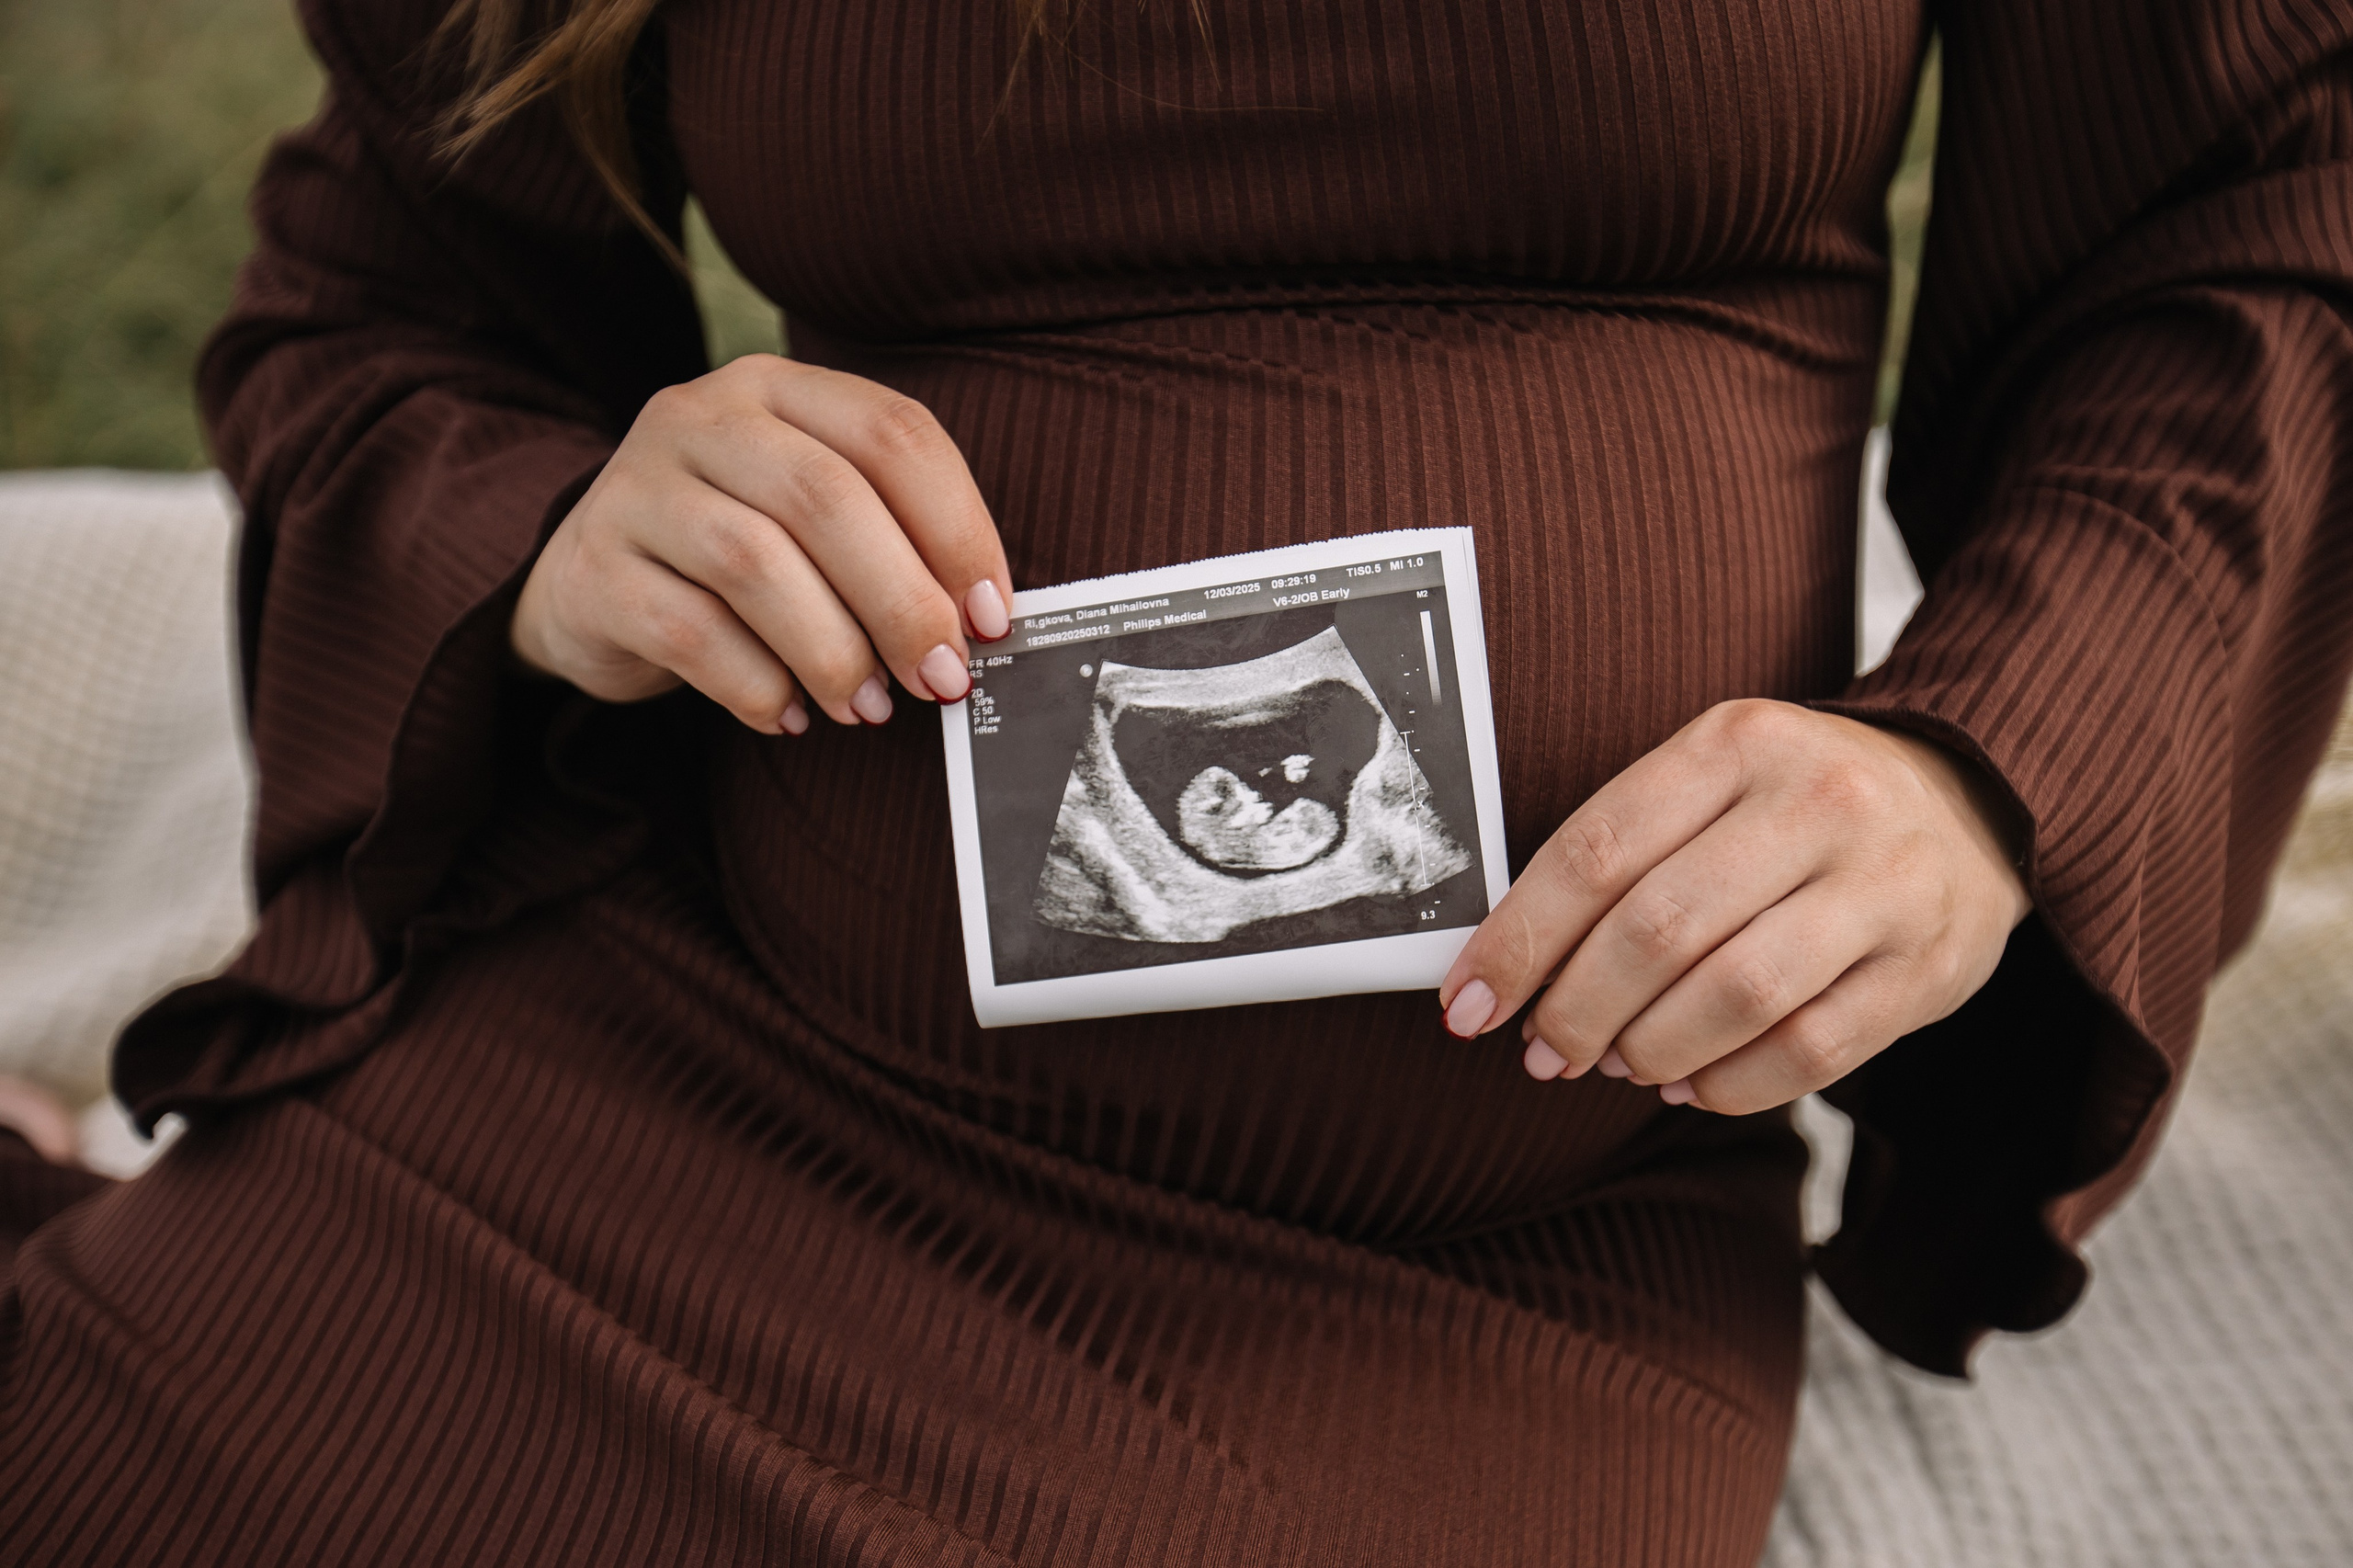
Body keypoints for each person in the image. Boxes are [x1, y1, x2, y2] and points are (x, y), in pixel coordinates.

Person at [3, 0, 2348, 1562]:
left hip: (1476, 1287)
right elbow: (387, 294)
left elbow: (2264, 207)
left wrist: (1991, 766)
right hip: (684, 1066)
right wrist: (549, 530)